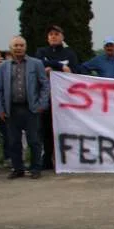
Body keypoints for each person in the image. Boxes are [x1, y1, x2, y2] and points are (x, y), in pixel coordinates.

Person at [0, 36, 50, 179]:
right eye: (16, 45)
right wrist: (0, 109)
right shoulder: (3, 67)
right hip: (11, 109)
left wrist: (42, 104)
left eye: (21, 45)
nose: (18, 48)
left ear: (25, 47)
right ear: (10, 48)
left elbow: (45, 85)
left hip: (31, 109)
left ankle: (35, 168)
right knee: (13, 141)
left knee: (34, 140)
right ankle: (18, 168)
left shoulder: (36, 64)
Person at [35, 25, 80, 169]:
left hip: (65, 100)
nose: (53, 36)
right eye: (50, 34)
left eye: (56, 34)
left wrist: (51, 68)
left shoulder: (69, 53)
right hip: (47, 98)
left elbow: (75, 70)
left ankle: (66, 158)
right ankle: (46, 159)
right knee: (46, 130)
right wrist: (60, 66)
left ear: (62, 37)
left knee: (65, 129)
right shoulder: (41, 51)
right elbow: (39, 64)